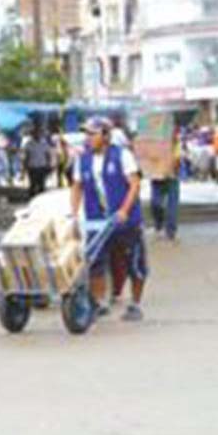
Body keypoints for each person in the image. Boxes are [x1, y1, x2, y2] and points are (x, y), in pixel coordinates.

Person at [70, 117, 148, 323]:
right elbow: (77, 187)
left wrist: (124, 210)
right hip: (96, 220)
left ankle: (136, 304)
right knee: (95, 261)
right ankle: (98, 303)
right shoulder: (82, 159)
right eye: (86, 134)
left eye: (92, 134)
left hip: (125, 221)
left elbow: (134, 184)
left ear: (106, 136)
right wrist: (73, 213)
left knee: (134, 262)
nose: (88, 138)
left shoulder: (122, 156)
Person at [22, 128, 54, 200]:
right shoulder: (28, 144)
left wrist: (49, 165)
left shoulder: (44, 144)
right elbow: (27, 156)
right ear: (32, 135)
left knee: (41, 184)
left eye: (38, 133)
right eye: (35, 133)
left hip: (42, 166)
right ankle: (31, 199)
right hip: (32, 167)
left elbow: (48, 155)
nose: (37, 135)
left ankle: (41, 200)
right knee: (33, 184)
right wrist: (25, 167)